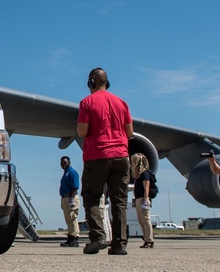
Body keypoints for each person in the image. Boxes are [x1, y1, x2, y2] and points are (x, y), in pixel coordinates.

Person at [77, 67, 133, 256]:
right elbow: (130, 133)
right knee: (119, 202)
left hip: (97, 155)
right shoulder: (122, 103)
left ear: (91, 82)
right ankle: (119, 245)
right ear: (107, 83)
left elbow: (82, 132)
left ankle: (98, 237)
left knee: (91, 196)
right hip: (121, 156)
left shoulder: (87, 102)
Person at [130, 153, 154, 248]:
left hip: (143, 199)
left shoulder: (145, 174)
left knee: (146, 219)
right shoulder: (138, 175)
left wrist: (145, 200)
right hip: (138, 198)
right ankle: (146, 239)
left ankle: (149, 240)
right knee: (141, 220)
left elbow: (146, 188)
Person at [58, 156, 81, 247]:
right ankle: (71, 236)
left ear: (69, 163)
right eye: (62, 163)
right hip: (65, 197)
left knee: (72, 218)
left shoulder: (72, 172)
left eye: (65, 163)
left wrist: (71, 199)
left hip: (71, 197)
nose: (63, 164)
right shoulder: (66, 173)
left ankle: (74, 238)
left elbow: (75, 186)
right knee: (68, 219)